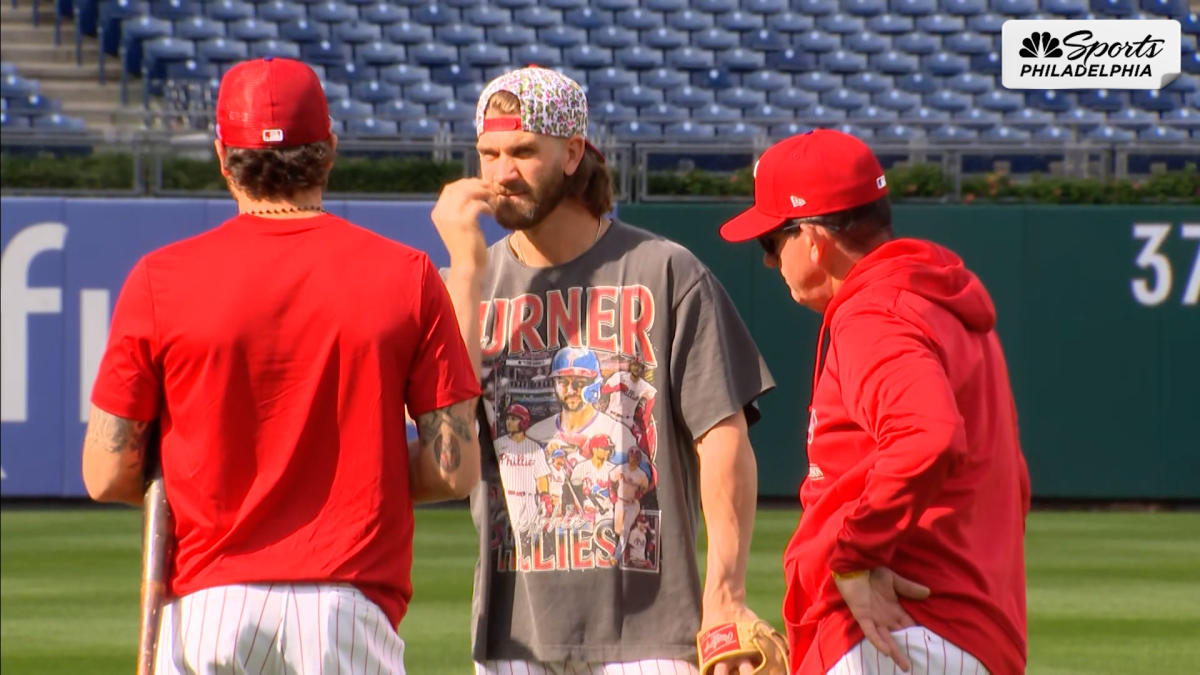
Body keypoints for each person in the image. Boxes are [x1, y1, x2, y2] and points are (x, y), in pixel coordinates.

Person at [80, 57, 481, 674]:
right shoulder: (405, 274)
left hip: (208, 605)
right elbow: (453, 470)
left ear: (222, 156)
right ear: (328, 153)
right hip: (347, 611)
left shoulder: (160, 279)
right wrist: (355, 469)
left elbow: (107, 474)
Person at [431, 66, 775, 673]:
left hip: (651, 639)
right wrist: (463, 271)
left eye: (522, 151)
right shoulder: (464, 286)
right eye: (488, 153)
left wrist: (726, 595)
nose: (501, 173)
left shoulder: (665, 271)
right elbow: (447, 450)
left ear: (571, 154)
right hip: (514, 641)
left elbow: (723, 440)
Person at [717, 129, 1030, 675]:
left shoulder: (874, 312)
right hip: (962, 628)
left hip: (896, 631)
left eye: (772, 242)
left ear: (814, 240)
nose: (770, 262)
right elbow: (1013, 481)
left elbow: (927, 436)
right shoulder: (936, 302)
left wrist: (856, 552)